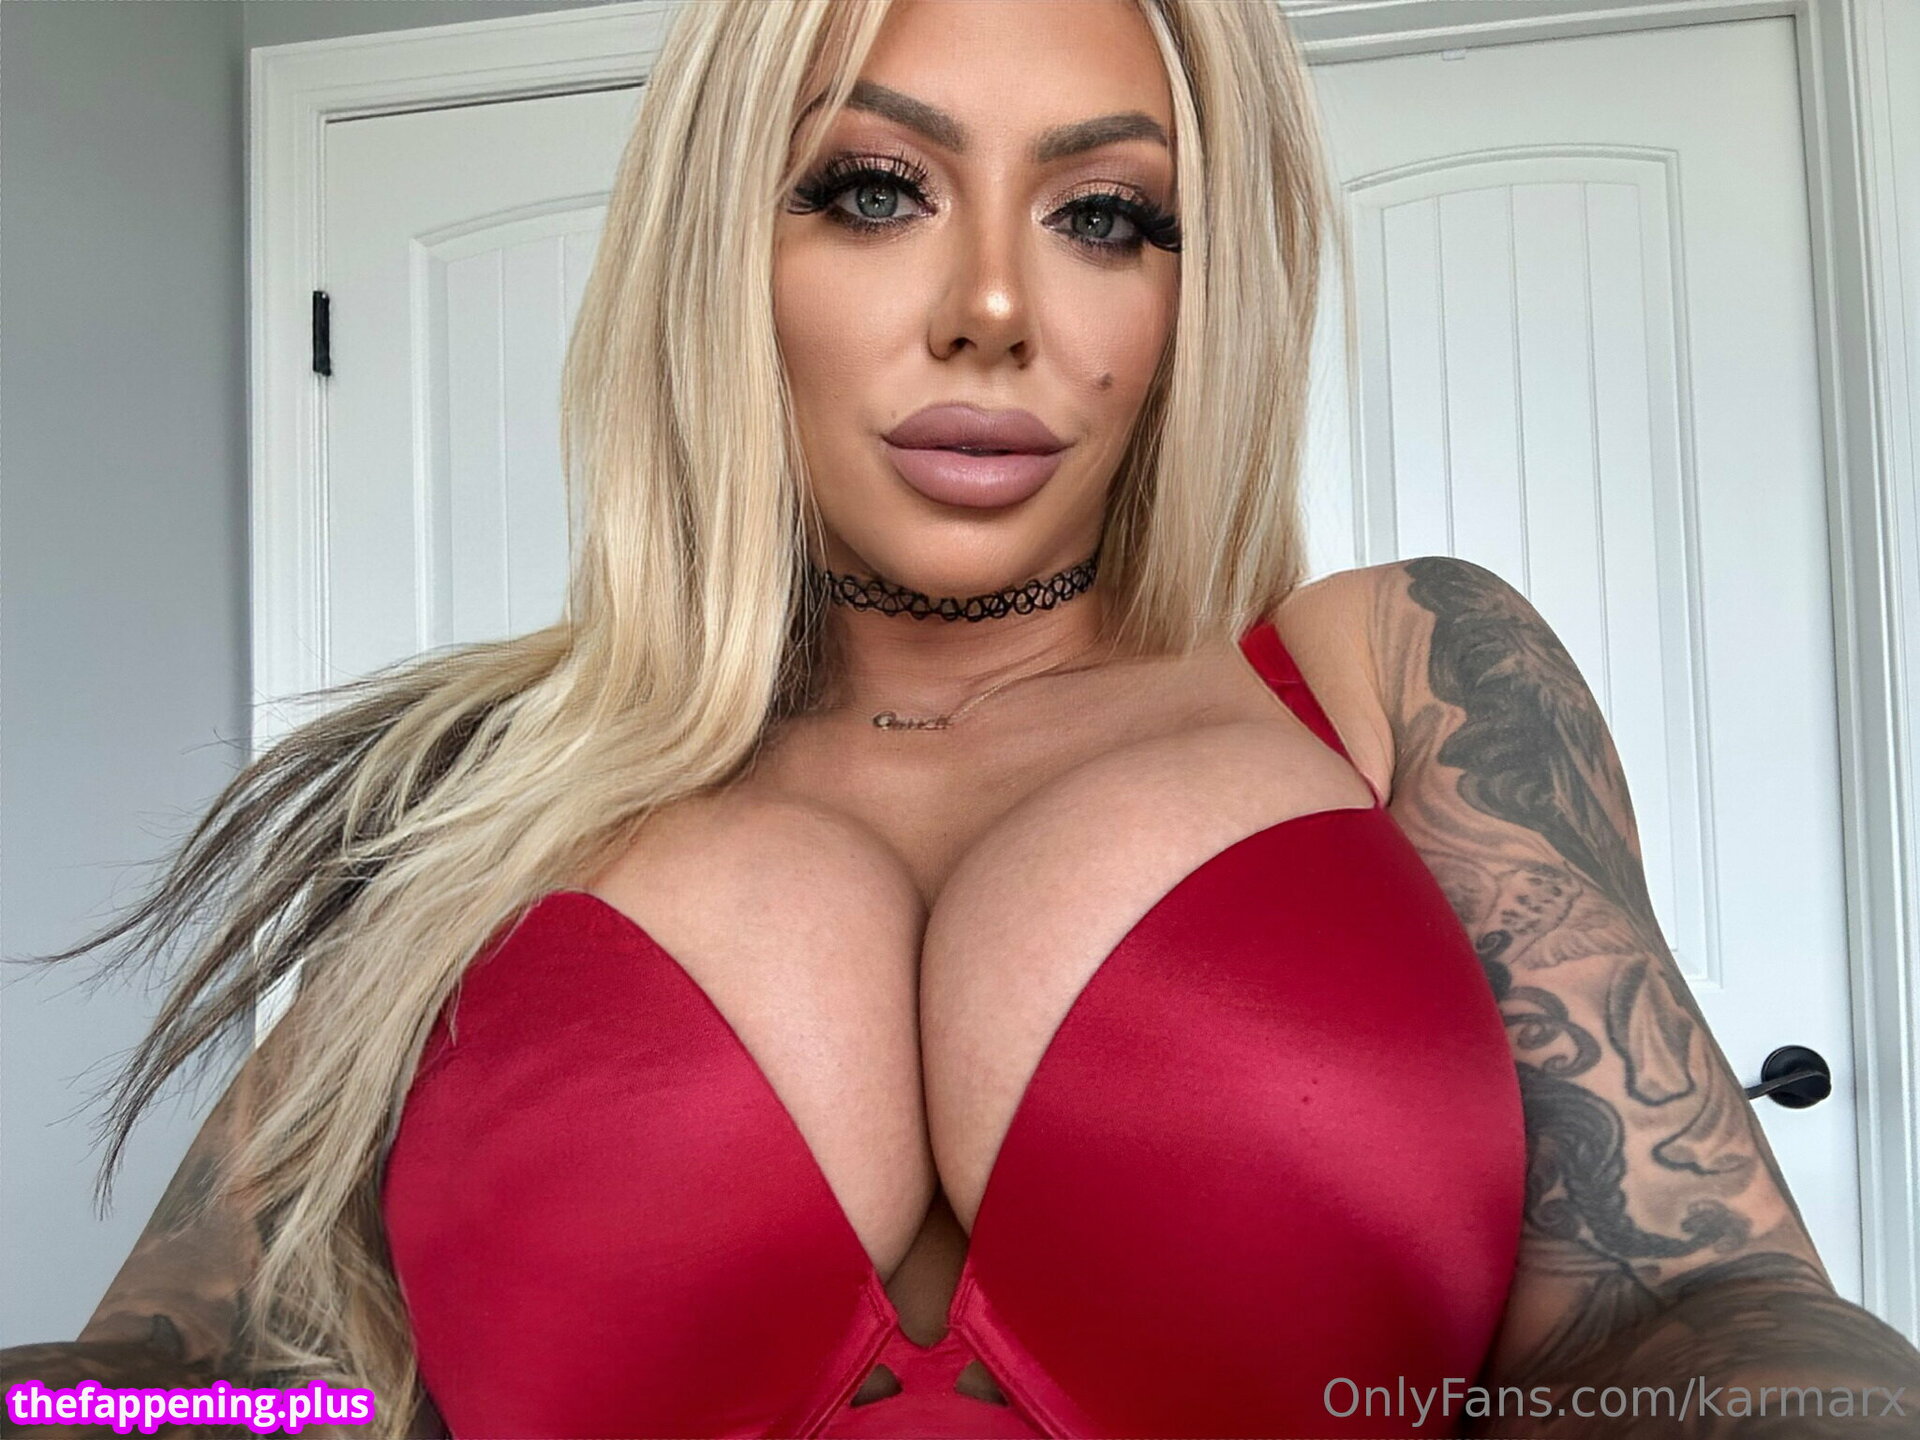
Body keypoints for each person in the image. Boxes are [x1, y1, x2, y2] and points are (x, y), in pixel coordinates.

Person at [5, 1, 1918, 1437]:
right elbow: (203, 1372)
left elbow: (1682, 1308)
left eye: (1108, 215)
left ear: (1201, 292)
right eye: (874, 190)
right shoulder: (490, 785)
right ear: (720, 252)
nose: (995, 304)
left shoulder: (1397, 677)